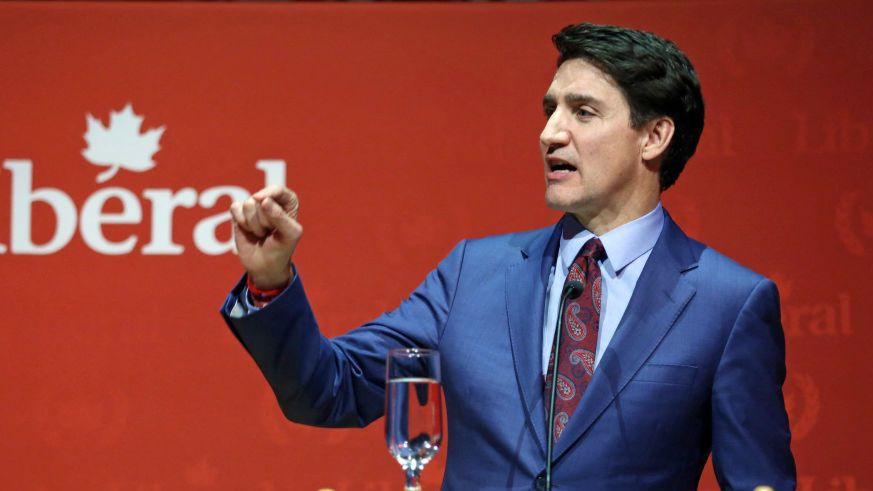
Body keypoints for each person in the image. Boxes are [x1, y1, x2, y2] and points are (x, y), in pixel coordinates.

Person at [221, 23, 796, 490]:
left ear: (654, 137)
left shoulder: (729, 302)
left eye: (583, 112)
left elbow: (758, 480)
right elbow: (330, 391)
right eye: (549, 109)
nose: (549, 132)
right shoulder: (474, 273)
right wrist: (270, 280)